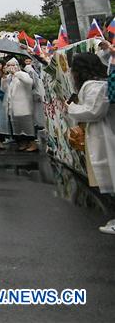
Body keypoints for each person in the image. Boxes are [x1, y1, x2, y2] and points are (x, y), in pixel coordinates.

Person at [66, 53, 115, 234]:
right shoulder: (102, 82)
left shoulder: (94, 86)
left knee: (111, 174)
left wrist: (71, 108)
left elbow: (94, 112)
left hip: (105, 136)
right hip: (105, 134)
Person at [1, 58, 36, 152]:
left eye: (13, 65)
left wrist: (17, 73)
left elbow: (29, 82)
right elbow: (4, 90)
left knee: (27, 126)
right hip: (13, 107)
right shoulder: (9, 78)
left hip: (24, 106)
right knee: (18, 126)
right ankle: (23, 143)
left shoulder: (23, 74)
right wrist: (4, 79)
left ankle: (33, 143)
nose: (11, 67)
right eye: (9, 65)